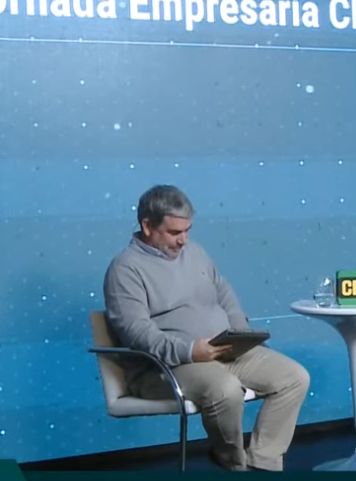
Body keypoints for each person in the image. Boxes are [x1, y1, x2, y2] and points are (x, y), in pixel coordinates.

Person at [103, 184, 310, 472]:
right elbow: (138, 334)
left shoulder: (196, 253)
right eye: (174, 233)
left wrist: (240, 334)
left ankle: (262, 462)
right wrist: (190, 351)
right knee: (225, 389)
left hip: (224, 350)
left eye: (187, 231)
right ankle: (233, 463)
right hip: (167, 366)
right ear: (147, 226)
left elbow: (224, 294)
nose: (183, 240)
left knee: (294, 378)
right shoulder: (125, 269)